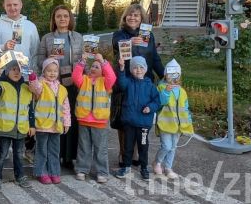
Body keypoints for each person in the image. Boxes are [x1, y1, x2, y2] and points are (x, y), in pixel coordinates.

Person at [0, 0, 40, 164]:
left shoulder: (30, 26)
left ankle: (27, 149)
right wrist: (3, 47)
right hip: (3, 77)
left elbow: (36, 52)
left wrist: (34, 75)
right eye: (9, 5)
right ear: (4, 6)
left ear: (21, 5)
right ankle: (1, 149)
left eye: (15, 4)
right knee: (3, 112)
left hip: (24, 76)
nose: (13, 8)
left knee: (26, 110)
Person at [111, 3, 164, 166]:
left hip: (144, 85)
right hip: (125, 82)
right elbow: (117, 48)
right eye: (130, 15)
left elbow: (154, 58)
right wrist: (130, 42)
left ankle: (135, 154)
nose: (133, 17)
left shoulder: (149, 36)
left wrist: (165, 76)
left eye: (136, 15)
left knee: (141, 118)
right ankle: (123, 153)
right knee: (124, 120)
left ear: (142, 19)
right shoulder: (119, 35)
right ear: (125, 17)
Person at [38, 5, 83, 168]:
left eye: (65, 16)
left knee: (70, 117)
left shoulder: (78, 37)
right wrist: (48, 60)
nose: (62, 19)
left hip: (73, 83)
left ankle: (69, 156)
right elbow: (39, 60)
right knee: (55, 117)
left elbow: (85, 61)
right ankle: (54, 155)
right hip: (54, 84)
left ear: (70, 18)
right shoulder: (47, 38)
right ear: (54, 19)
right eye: (59, 16)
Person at [112, 56, 160, 180]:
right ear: (131, 70)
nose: (138, 70)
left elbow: (157, 101)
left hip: (144, 123)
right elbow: (121, 83)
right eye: (135, 67)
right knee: (127, 146)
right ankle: (126, 166)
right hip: (129, 121)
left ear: (145, 69)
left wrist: (150, 107)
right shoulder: (129, 82)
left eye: (141, 67)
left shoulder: (150, 85)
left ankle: (144, 167)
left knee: (143, 146)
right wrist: (122, 68)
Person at [0, 62, 35, 193]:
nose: (16, 72)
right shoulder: (2, 85)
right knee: (2, 154)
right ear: (7, 71)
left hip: (21, 128)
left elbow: (30, 108)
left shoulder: (27, 87)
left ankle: (20, 176)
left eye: (19, 70)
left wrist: (32, 125)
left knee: (19, 154)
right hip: (4, 127)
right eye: (13, 69)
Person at [72, 52, 116, 183]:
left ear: (102, 71)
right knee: (83, 147)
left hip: (99, 122)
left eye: (97, 67)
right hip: (84, 120)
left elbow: (112, 77)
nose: (93, 68)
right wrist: (82, 62)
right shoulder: (84, 80)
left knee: (100, 149)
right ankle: (81, 169)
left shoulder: (106, 82)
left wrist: (103, 61)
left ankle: (102, 172)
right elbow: (75, 76)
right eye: (92, 66)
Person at [29, 58, 70, 185]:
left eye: (55, 71)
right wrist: (32, 77)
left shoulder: (62, 88)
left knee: (54, 150)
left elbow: (66, 107)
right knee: (42, 150)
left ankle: (54, 172)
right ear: (44, 72)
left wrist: (67, 122)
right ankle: (41, 172)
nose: (52, 73)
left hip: (56, 125)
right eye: (49, 71)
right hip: (42, 124)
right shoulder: (41, 84)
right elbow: (34, 88)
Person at [154, 59, 193, 179]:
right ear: (166, 74)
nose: (173, 77)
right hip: (165, 124)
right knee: (166, 146)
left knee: (173, 147)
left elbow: (185, 108)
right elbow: (160, 103)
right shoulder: (161, 87)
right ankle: (157, 162)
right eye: (170, 74)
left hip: (178, 125)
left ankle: (168, 167)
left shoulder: (182, 91)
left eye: (176, 74)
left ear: (179, 75)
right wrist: (166, 91)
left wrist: (188, 122)